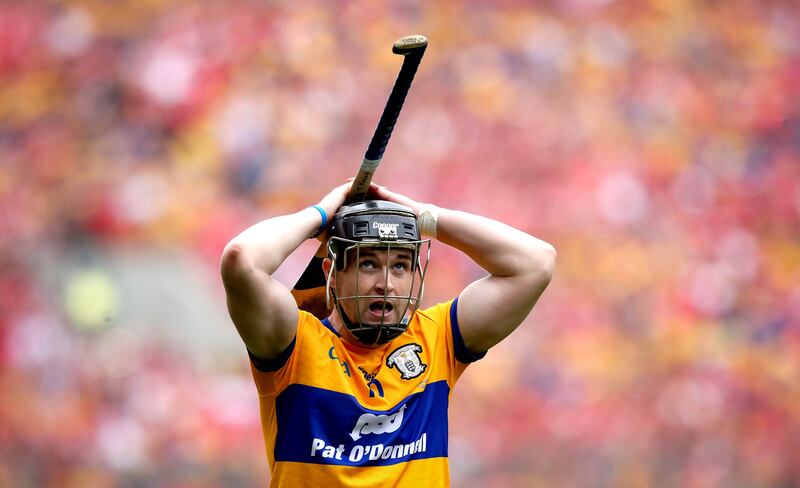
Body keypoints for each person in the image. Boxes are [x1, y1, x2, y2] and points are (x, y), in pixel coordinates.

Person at [220, 181, 556, 487]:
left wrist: (427, 217)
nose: (386, 283)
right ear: (331, 273)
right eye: (368, 264)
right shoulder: (293, 344)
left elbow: (536, 262)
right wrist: (320, 215)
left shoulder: (437, 338)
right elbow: (241, 259)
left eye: (399, 265)